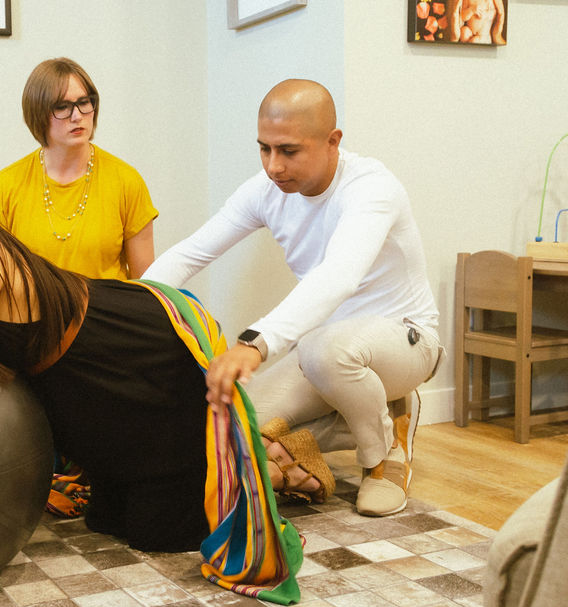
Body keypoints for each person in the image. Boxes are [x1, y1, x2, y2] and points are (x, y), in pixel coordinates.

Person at [0, 129, 309, 603]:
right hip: (85, 390)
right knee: (113, 521)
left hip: (134, 353)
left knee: (170, 533)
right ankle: (256, 456)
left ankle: (279, 462)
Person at [144, 79, 443, 518]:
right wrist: (127, 307)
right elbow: (193, 252)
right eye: (264, 149)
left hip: (405, 341)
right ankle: (382, 413)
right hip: (328, 354)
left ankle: (382, 457)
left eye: (288, 151)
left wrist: (254, 344)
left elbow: (337, 276)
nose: (273, 166)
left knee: (323, 348)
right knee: (231, 428)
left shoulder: (372, 188)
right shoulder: (264, 191)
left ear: (332, 141)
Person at [0, 58, 157, 280]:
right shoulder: (7, 183)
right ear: (38, 113)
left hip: (108, 312)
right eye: (62, 107)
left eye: (84, 102)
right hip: (36, 313)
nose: (77, 116)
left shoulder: (126, 180)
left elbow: (147, 284)